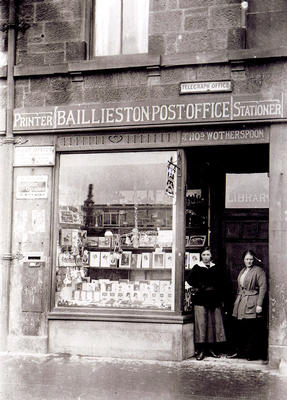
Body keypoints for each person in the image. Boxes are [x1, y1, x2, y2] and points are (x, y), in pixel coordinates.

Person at [186, 247, 226, 360]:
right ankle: (201, 350)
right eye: (203, 254)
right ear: (201, 256)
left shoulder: (216, 268)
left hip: (214, 300)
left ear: (211, 256)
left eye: (208, 254)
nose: (206, 257)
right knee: (201, 325)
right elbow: (189, 282)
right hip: (200, 300)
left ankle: (211, 349)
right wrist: (199, 287)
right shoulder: (196, 268)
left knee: (212, 325)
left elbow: (222, 283)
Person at [227, 249, 267, 361]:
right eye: (246, 259)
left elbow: (263, 288)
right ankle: (242, 351)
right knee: (242, 327)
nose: (249, 261)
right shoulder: (243, 271)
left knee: (252, 328)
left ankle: (253, 353)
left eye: (250, 259)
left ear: (253, 259)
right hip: (241, 301)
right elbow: (240, 288)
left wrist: (259, 305)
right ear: (243, 260)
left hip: (252, 302)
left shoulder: (259, 271)